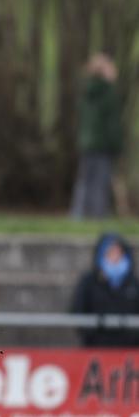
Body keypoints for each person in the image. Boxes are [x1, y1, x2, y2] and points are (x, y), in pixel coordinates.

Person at [70, 53, 124, 219]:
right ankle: (97, 216)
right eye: (110, 67)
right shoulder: (108, 93)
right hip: (102, 145)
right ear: (103, 71)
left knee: (84, 182)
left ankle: (77, 216)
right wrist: (117, 146)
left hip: (87, 143)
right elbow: (112, 125)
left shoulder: (87, 91)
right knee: (100, 183)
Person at [71, 233, 139, 347]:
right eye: (110, 253)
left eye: (118, 252)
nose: (115, 257)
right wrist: (90, 334)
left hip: (129, 348)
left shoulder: (134, 283)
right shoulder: (89, 281)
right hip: (97, 346)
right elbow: (78, 309)